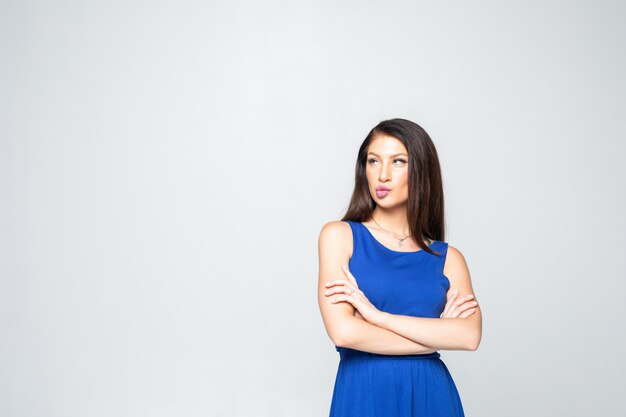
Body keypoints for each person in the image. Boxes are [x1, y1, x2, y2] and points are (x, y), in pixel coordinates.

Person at [317, 118, 482, 417]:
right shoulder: (340, 237)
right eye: (373, 161)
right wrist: (436, 336)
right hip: (364, 393)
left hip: (431, 396)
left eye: (398, 161)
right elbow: (344, 332)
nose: (382, 174)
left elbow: (469, 337)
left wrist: (377, 317)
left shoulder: (448, 258)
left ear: (421, 170)